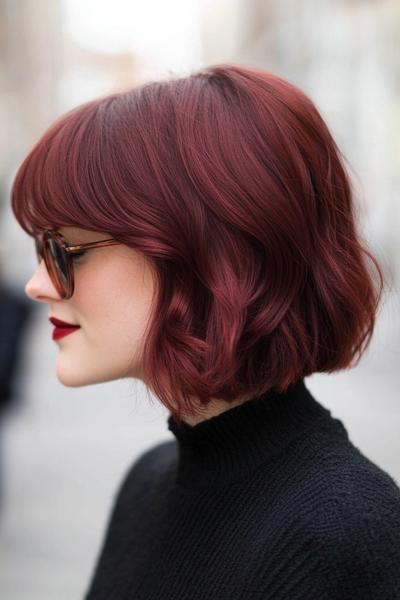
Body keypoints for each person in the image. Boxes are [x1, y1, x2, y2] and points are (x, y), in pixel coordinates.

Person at [11, 64, 400, 599]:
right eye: (39, 249)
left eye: (63, 251)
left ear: (210, 257)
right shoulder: (149, 483)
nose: (38, 285)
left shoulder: (343, 537)